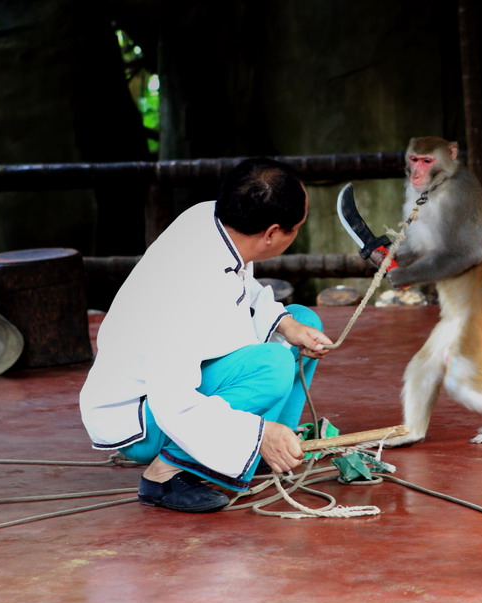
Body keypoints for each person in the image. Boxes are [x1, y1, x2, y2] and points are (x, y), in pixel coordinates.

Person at [80, 157, 334, 512]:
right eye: (297, 227)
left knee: (301, 320)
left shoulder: (215, 220)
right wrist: (254, 434)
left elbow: (244, 288)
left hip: (170, 388)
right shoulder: (191, 288)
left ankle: (261, 452)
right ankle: (164, 474)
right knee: (273, 365)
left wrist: (286, 325)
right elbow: (173, 399)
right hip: (143, 417)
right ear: (273, 234)